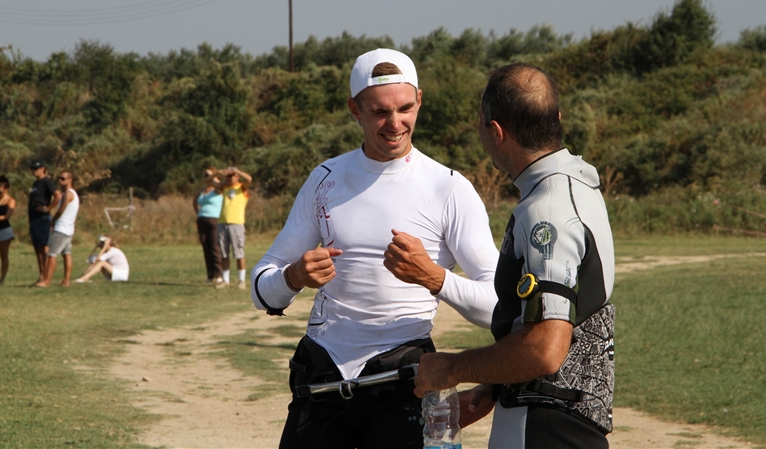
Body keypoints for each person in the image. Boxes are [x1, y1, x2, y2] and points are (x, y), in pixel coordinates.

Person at [250, 48, 499, 449]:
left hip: (402, 382)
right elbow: (261, 288)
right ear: (355, 109)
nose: (395, 123)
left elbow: (497, 308)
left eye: (405, 108)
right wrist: (293, 277)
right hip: (321, 377)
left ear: (420, 100)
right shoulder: (324, 179)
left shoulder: (449, 188)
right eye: (380, 112)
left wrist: (435, 279)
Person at [413, 63, 616, 449]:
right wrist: (493, 383)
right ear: (556, 118)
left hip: (544, 426)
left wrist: (452, 368)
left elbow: (545, 350)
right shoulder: (577, 185)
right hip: (557, 418)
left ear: (496, 131)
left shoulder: (548, 211)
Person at [210, 166, 252, 289]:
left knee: (238, 252)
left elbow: (249, 179)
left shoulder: (242, 188)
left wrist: (237, 171)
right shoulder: (224, 187)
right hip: (222, 223)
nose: (228, 178)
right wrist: (217, 173)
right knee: (224, 253)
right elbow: (208, 182)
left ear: (237, 177)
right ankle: (226, 280)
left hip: (236, 223)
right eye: (227, 176)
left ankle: (241, 280)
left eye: (231, 176)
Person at [37, 171, 79, 287]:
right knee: (67, 253)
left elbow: (61, 210)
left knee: (52, 254)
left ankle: (46, 281)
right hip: (69, 228)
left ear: (70, 180)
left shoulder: (68, 194)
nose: (60, 181)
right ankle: (66, 280)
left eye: (63, 178)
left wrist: (53, 220)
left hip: (62, 228)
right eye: (59, 178)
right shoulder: (73, 193)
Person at [28, 159, 61, 284]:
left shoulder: (47, 182)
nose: (34, 171)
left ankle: (47, 276)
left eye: (36, 168)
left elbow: (57, 195)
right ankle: (41, 275)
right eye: (33, 169)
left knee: (44, 248)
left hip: (42, 219)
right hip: (34, 219)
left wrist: (48, 208)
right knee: (37, 249)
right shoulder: (35, 184)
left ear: (43, 169)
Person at [193, 169, 223, 284]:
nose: (208, 177)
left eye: (209, 175)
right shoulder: (203, 190)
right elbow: (195, 201)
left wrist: (214, 175)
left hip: (214, 219)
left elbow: (215, 182)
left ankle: (219, 273)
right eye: (206, 175)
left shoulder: (218, 190)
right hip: (202, 219)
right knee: (205, 245)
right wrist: (198, 212)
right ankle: (210, 274)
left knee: (215, 246)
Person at [0, 175, 17, 286]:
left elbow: (6, 217)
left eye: (0, 192)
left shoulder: (10, 201)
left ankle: (2, 280)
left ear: (6, 190)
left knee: (3, 255)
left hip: (4, 230)